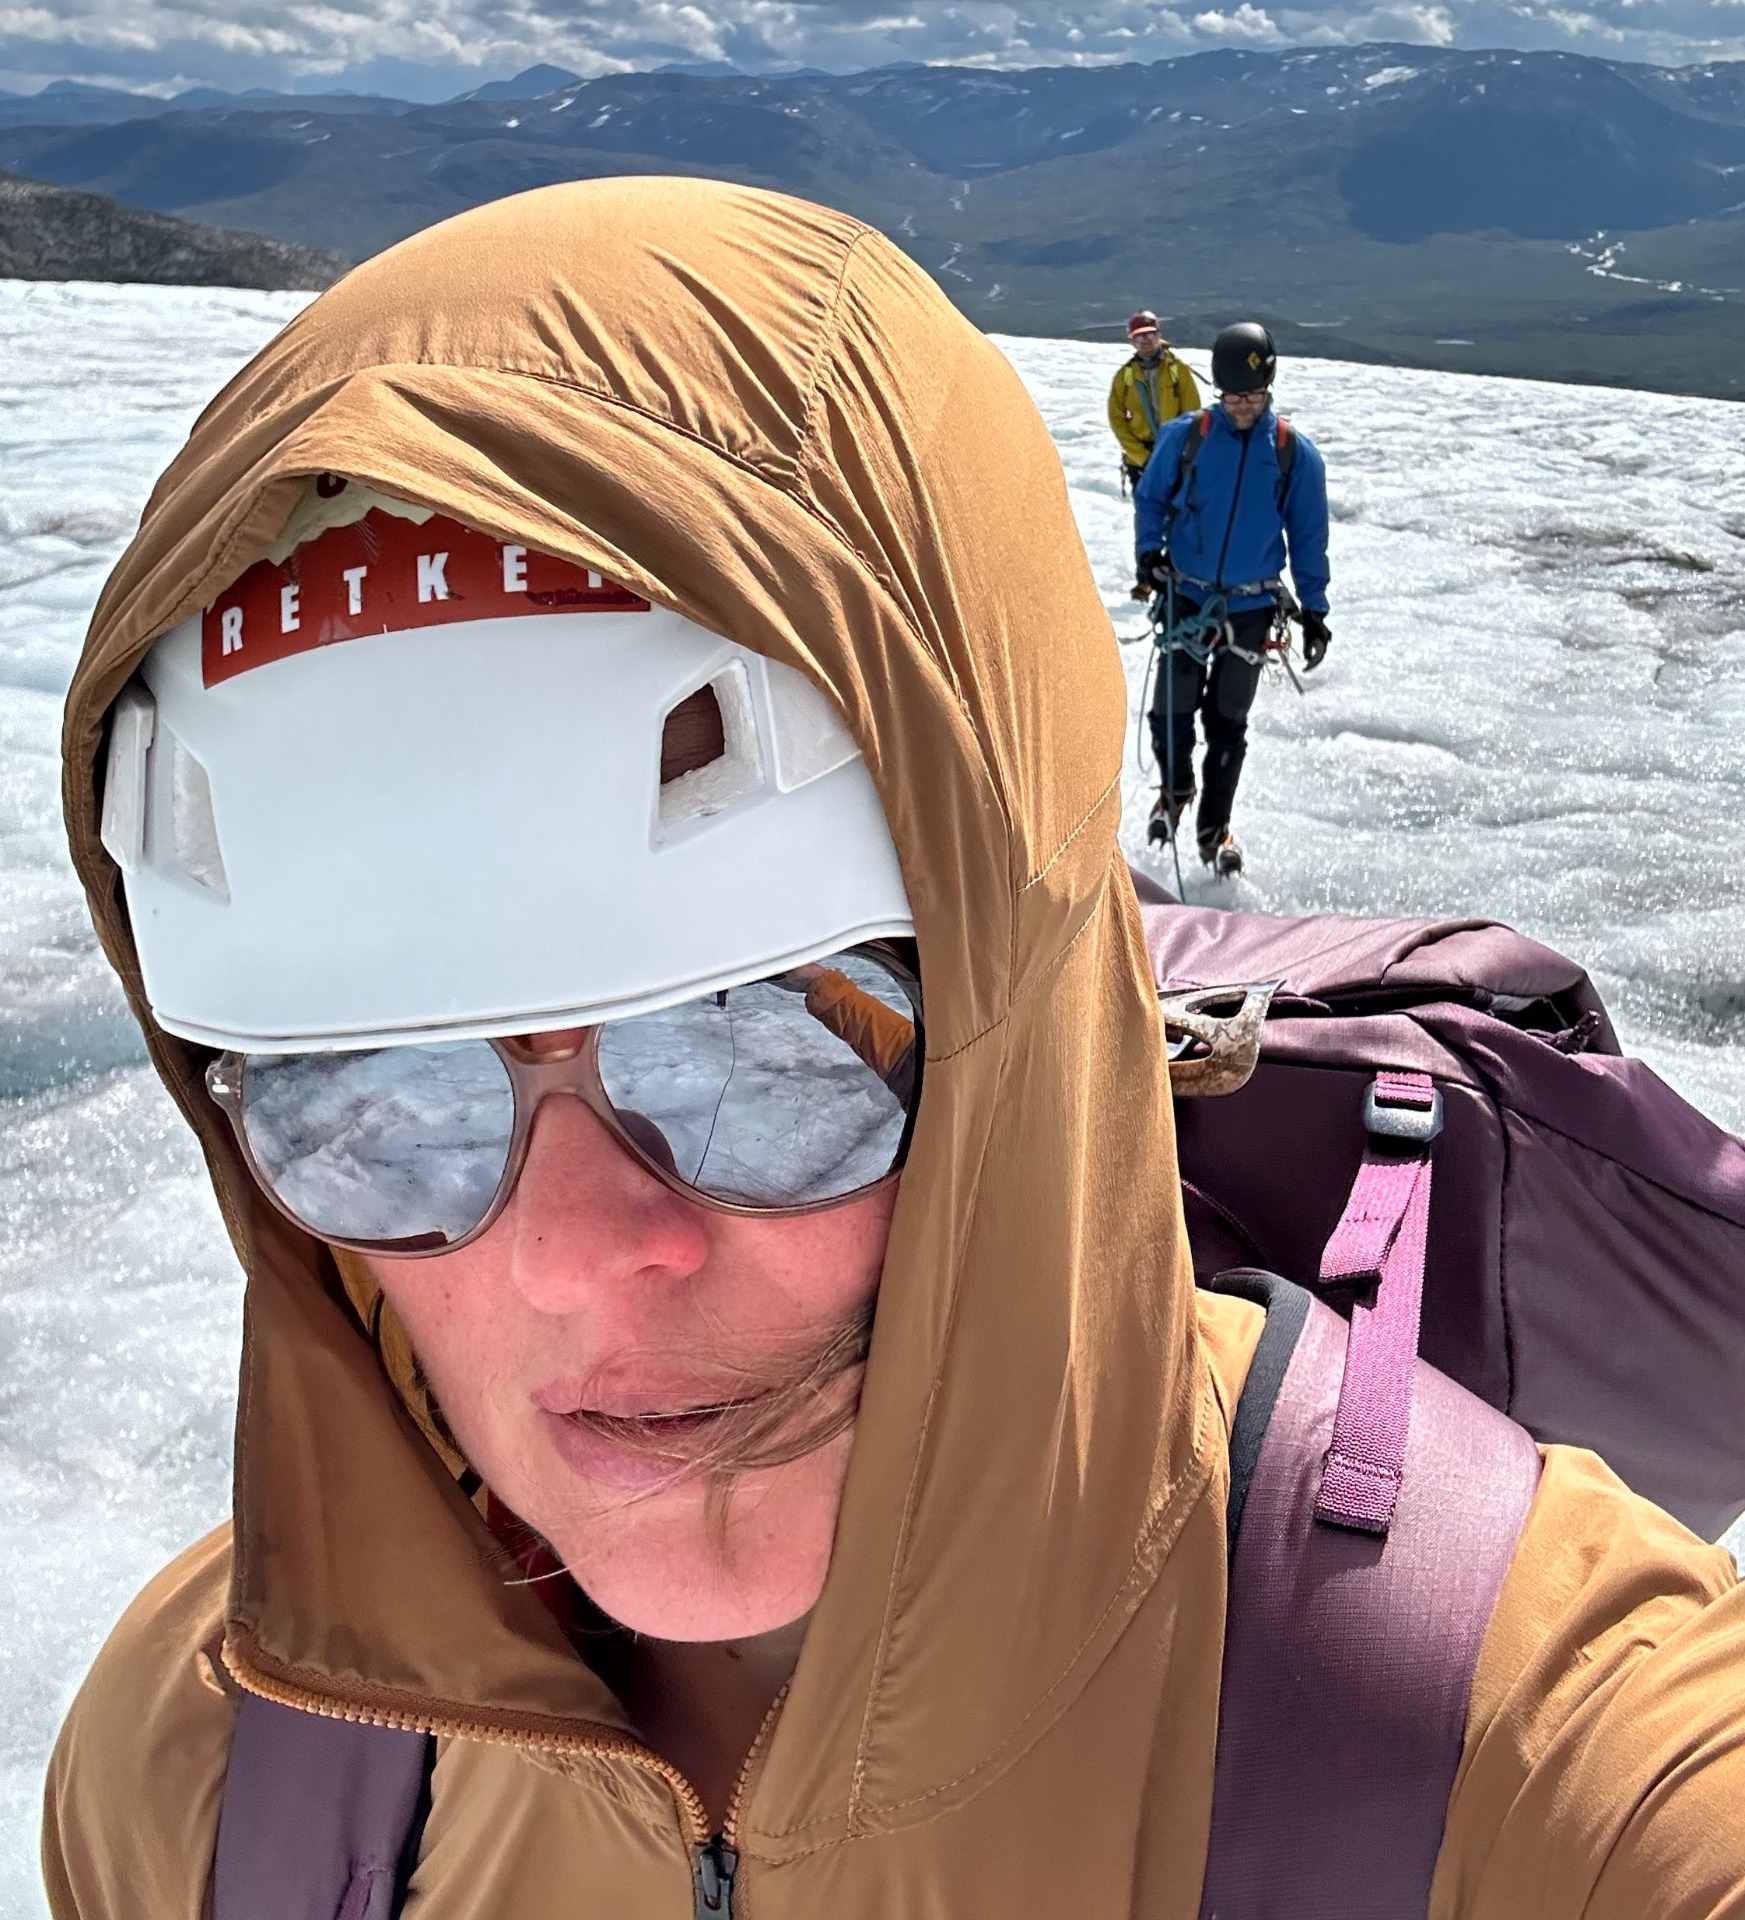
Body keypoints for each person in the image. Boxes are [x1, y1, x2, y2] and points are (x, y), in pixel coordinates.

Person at [44, 179, 1745, 1918]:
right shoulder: (205, 1778)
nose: (569, 1260)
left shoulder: (1535, 1756)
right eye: (366, 1094)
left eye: (750, 1037)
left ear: (1017, 1014)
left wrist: (1288, 593)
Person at [1134, 320, 1331, 876]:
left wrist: (1315, 609)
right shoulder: (1187, 437)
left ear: (1268, 388)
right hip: (1187, 597)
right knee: (1169, 714)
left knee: (1227, 725)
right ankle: (1176, 790)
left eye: (1254, 395)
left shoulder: (1292, 454)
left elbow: (1308, 535)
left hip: (1250, 608)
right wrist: (1149, 552)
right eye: (1234, 395)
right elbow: (1151, 499)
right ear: (1218, 390)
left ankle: (1214, 830)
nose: (1244, 405)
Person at [1106, 309, 1200, 493]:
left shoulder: (1177, 369)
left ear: (1159, 335)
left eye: (1150, 334)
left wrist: (1179, 452)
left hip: (1174, 456)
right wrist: (1141, 456)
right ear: (1131, 341)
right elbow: (1116, 418)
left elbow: (1192, 414)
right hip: (1140, 460)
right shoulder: (1124, 376)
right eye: (1139, 337)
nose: (1145, 341)